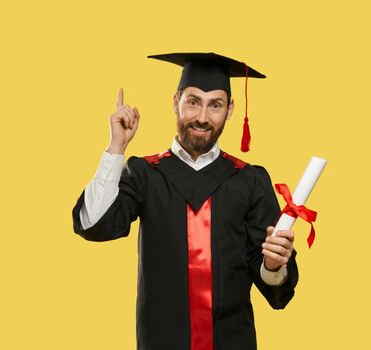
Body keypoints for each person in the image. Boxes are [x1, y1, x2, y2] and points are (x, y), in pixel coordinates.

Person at [71, 52, 299, 350]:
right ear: (175, 100)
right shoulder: (144, 173)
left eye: (215, 105)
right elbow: (95, 226)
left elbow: (276, 291)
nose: (202, 117)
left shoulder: (250, 180)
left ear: (230, 109)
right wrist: (116, 147)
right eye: (193, 102)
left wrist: (272, 265)